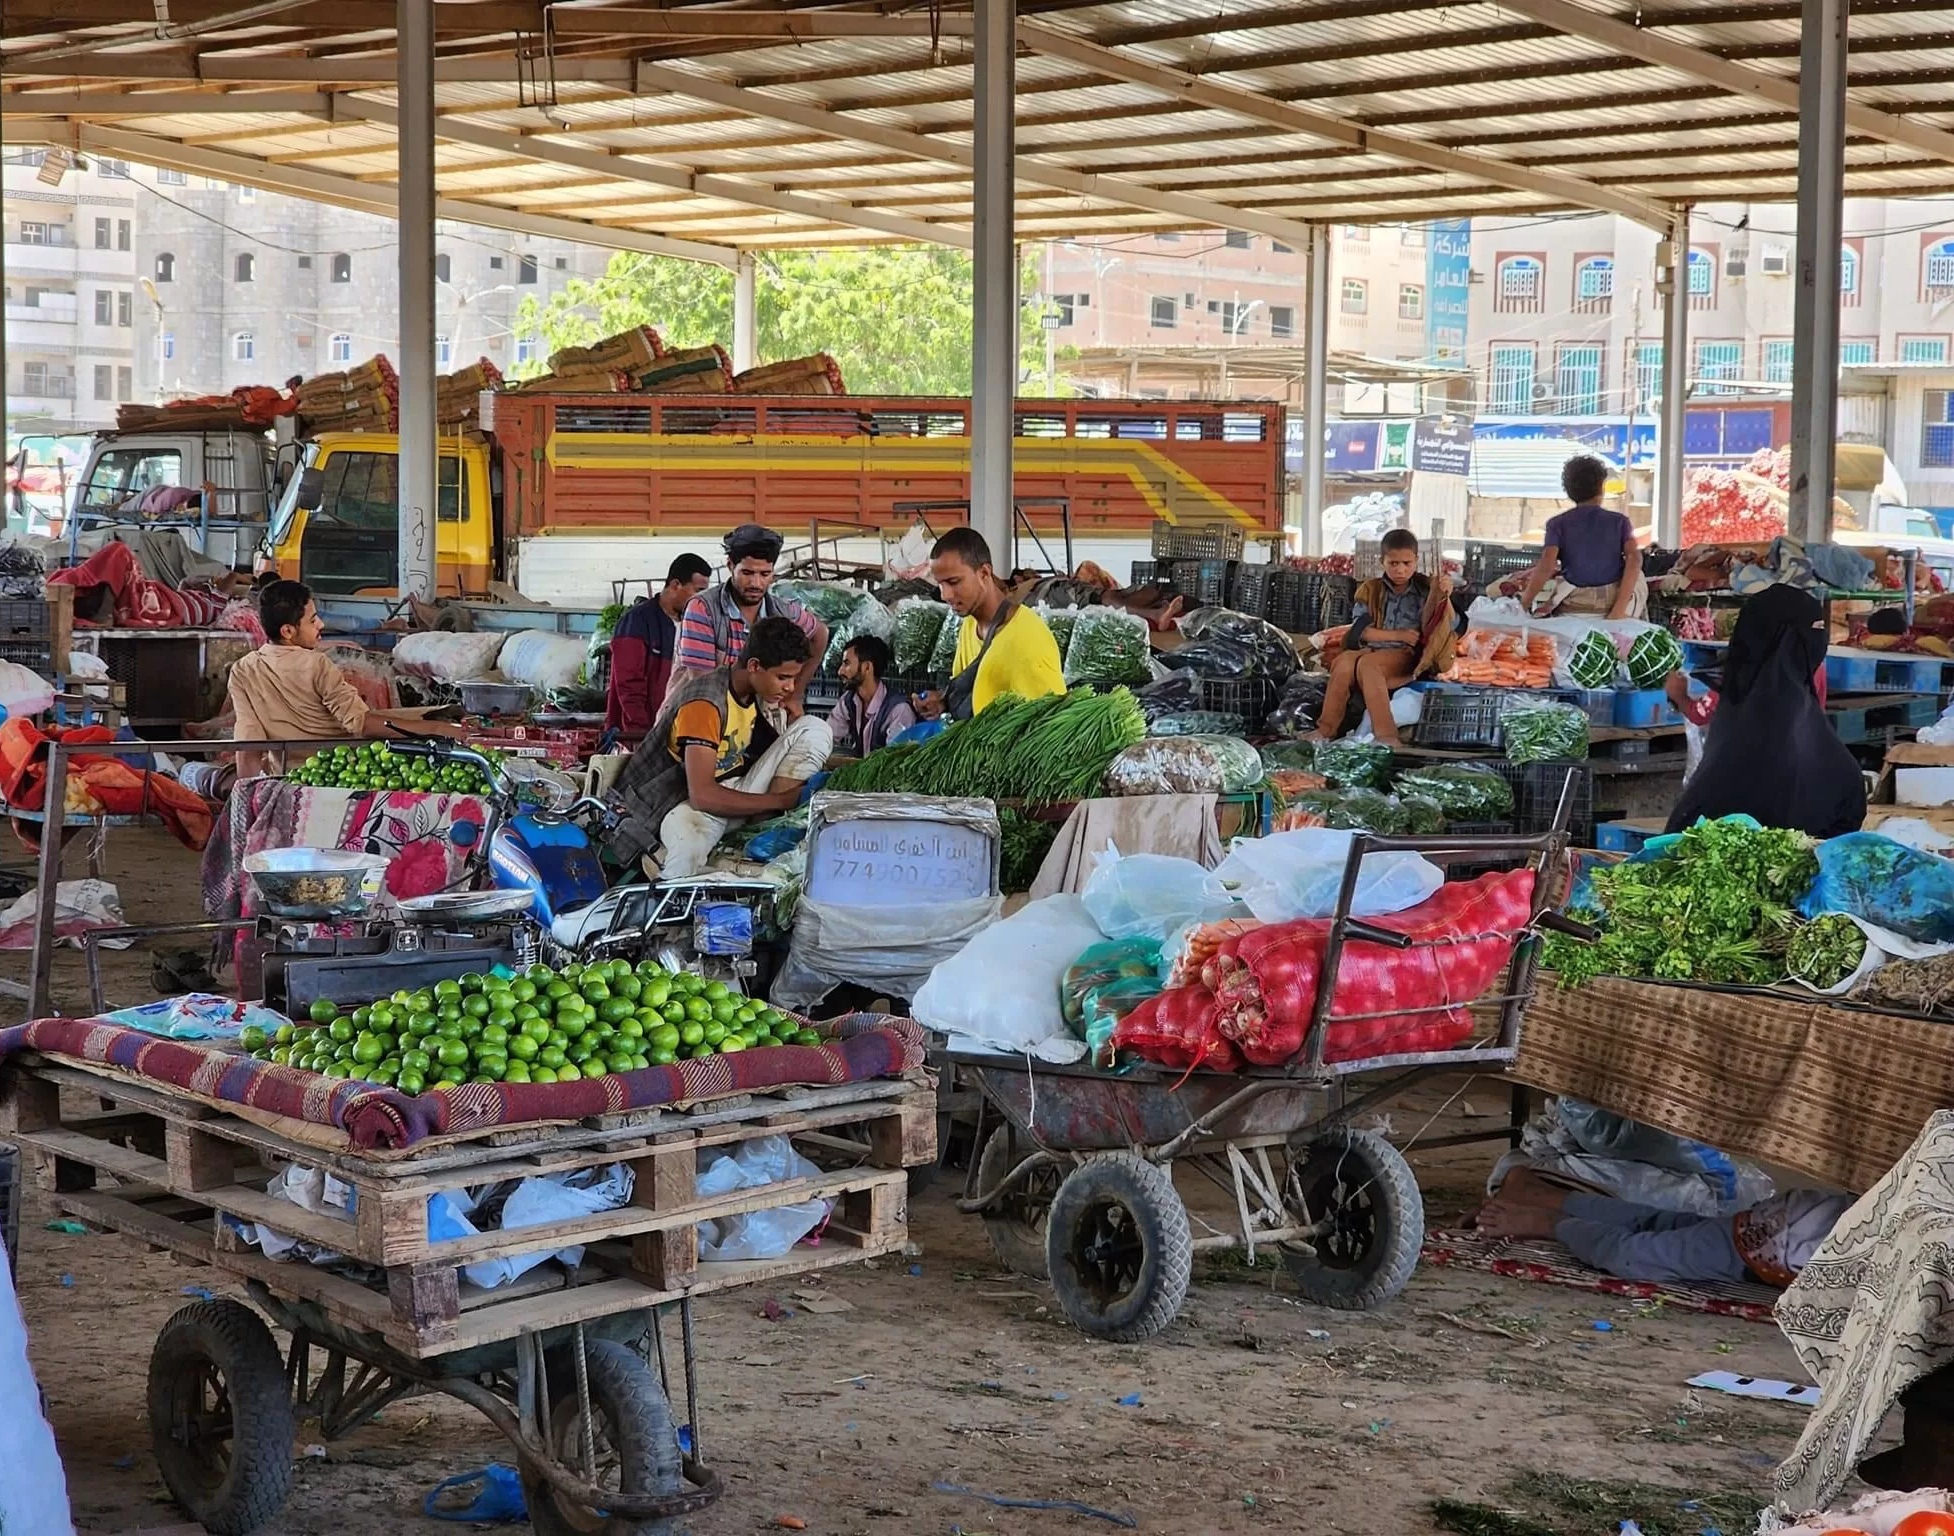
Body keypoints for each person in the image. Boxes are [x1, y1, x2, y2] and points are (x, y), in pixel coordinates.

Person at [609, 616, 834, 879]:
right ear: (754, 666)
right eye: (783, 677)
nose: (790, 687)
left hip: (730, 790)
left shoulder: (751, 694)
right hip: (677, 804)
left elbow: (771, 750)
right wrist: (783, 800)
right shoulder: (705, 703)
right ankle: (669, 909)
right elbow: (702, 795)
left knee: (814, 728)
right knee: (684, 859)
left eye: (794, 678)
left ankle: (766, 830)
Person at [1663, 583, 1865, 838]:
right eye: (1815, 630)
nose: (1820, 639)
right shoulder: (1813, 740)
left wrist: (1679, 696)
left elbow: (1691, 825)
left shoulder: (1736, 709)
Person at [226, 579, 465, 778]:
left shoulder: (243, 669)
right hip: (339, 771)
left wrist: (248, 798)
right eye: (312, 620)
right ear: (288, 631)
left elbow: (248, 744)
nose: (321, 624)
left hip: (288, 775)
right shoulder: (315, 663)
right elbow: (360, 723)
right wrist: (437, 728)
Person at [1477, 1167, 1852, 1288]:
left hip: (1789, 1227)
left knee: (1664, 1225)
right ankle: (1548, 1220)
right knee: (1631, 1256)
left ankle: (1538, 1194)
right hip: (1778, 1241)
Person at [1312, 528, 1460, 747]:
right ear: (1382, 561)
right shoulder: (1370, 589)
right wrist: (1398, 634)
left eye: (1406, 563)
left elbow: (1446, 624)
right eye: (1393, 563)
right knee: (1343, 662)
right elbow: (1360, 630)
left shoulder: (1424, 590)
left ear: (1416, 561)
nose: (1400, 569)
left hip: (1405, 656)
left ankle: (1387, 736)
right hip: (1372, 648)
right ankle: (1325, 730)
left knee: (1369, 664)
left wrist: (1442, 595)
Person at [675, 524, 829, 716]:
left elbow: (820, 633)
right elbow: (703, 688)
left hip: (750, 719)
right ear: (730, 565)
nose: (756, 583)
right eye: (747, 573)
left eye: (765, 574)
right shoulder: (702, 609)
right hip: (699, 717)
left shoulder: (783, 612)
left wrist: (796, 694)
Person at [917, 528, 1067, 720]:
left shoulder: (1027, 638)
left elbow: (1049, 724)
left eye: (954, 582)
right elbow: (977, 693)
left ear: (984, 573)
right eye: (940, 584)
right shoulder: (969, 625)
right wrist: (943, 701)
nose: (946, 595)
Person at [1513, 455, 1647, 619]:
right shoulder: (1619, 522)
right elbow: (1635, 559)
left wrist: (1523, 604)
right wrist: (1618, 610)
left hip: (1575, 606)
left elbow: (1547, 565)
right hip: (1611, 604)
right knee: (1638, 576)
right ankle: (1622, 608)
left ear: (1569, 491)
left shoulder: (1557, 524)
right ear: (1601, 488)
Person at [606, 552, 712, 736]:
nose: (701, 599)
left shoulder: (695, 625)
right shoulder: (637, 621)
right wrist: (641, 732)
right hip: (636, 735)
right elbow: (629, 685)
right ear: (675, 585)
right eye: (698, 591)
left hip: (676, 730)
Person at [830, 634, 917, 757]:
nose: (840, 671)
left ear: (867, 667)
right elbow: (828, 737)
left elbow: (894, 760)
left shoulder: (899, 710)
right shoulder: (848, 701)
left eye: (847, 663)